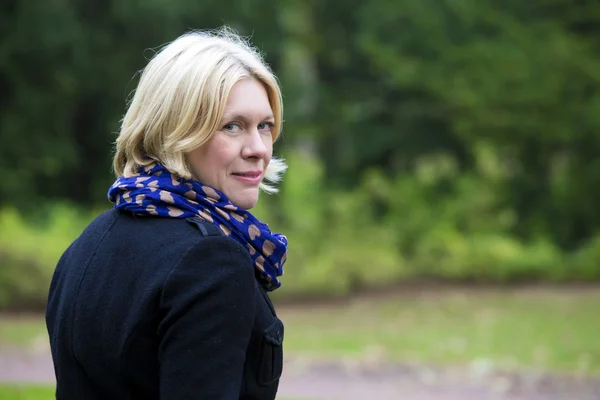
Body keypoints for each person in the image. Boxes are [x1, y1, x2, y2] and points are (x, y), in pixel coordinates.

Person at [45, 27, 288, 400]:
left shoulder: (87, 244)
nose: (258, 148)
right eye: (232, 126)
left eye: (265, 126)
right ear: (176, 130)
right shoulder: (211, 262)